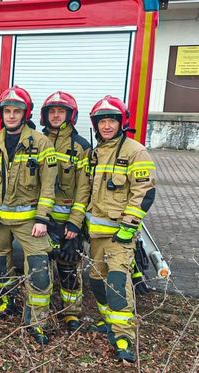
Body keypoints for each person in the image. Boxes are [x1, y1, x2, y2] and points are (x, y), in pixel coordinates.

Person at [0, 86, 57, 345]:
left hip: (30, 220)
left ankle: (37, 320)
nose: (11, 115)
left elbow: (48, 185)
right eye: (7, 111)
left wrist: (42, 218)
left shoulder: (42, 143)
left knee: (40, 270)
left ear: (25, 113)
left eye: (16, 111)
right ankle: (6, 301)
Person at [86, 96, 156, 363]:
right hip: (96, 235)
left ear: (121, 122)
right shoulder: (96, 152)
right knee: (95, 280)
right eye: (102, 121)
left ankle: (123, 338)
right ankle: (108, 321)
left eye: (111, 120)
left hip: (120, 236)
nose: (106, 126)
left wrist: (128, 227)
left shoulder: (135, 151)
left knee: (117, 285)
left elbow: (145, 193)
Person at [39, 91, 91, 331]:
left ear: (71, 115)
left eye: (61, 111)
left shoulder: (81, 147)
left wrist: (75, 223)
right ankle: (45, 308)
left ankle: (71, 313)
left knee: (69, 268)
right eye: (52, 111)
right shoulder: (37, 141)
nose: (56, 115)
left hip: (67, 222)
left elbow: (84, 190)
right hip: (42, 220)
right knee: (42, 268)